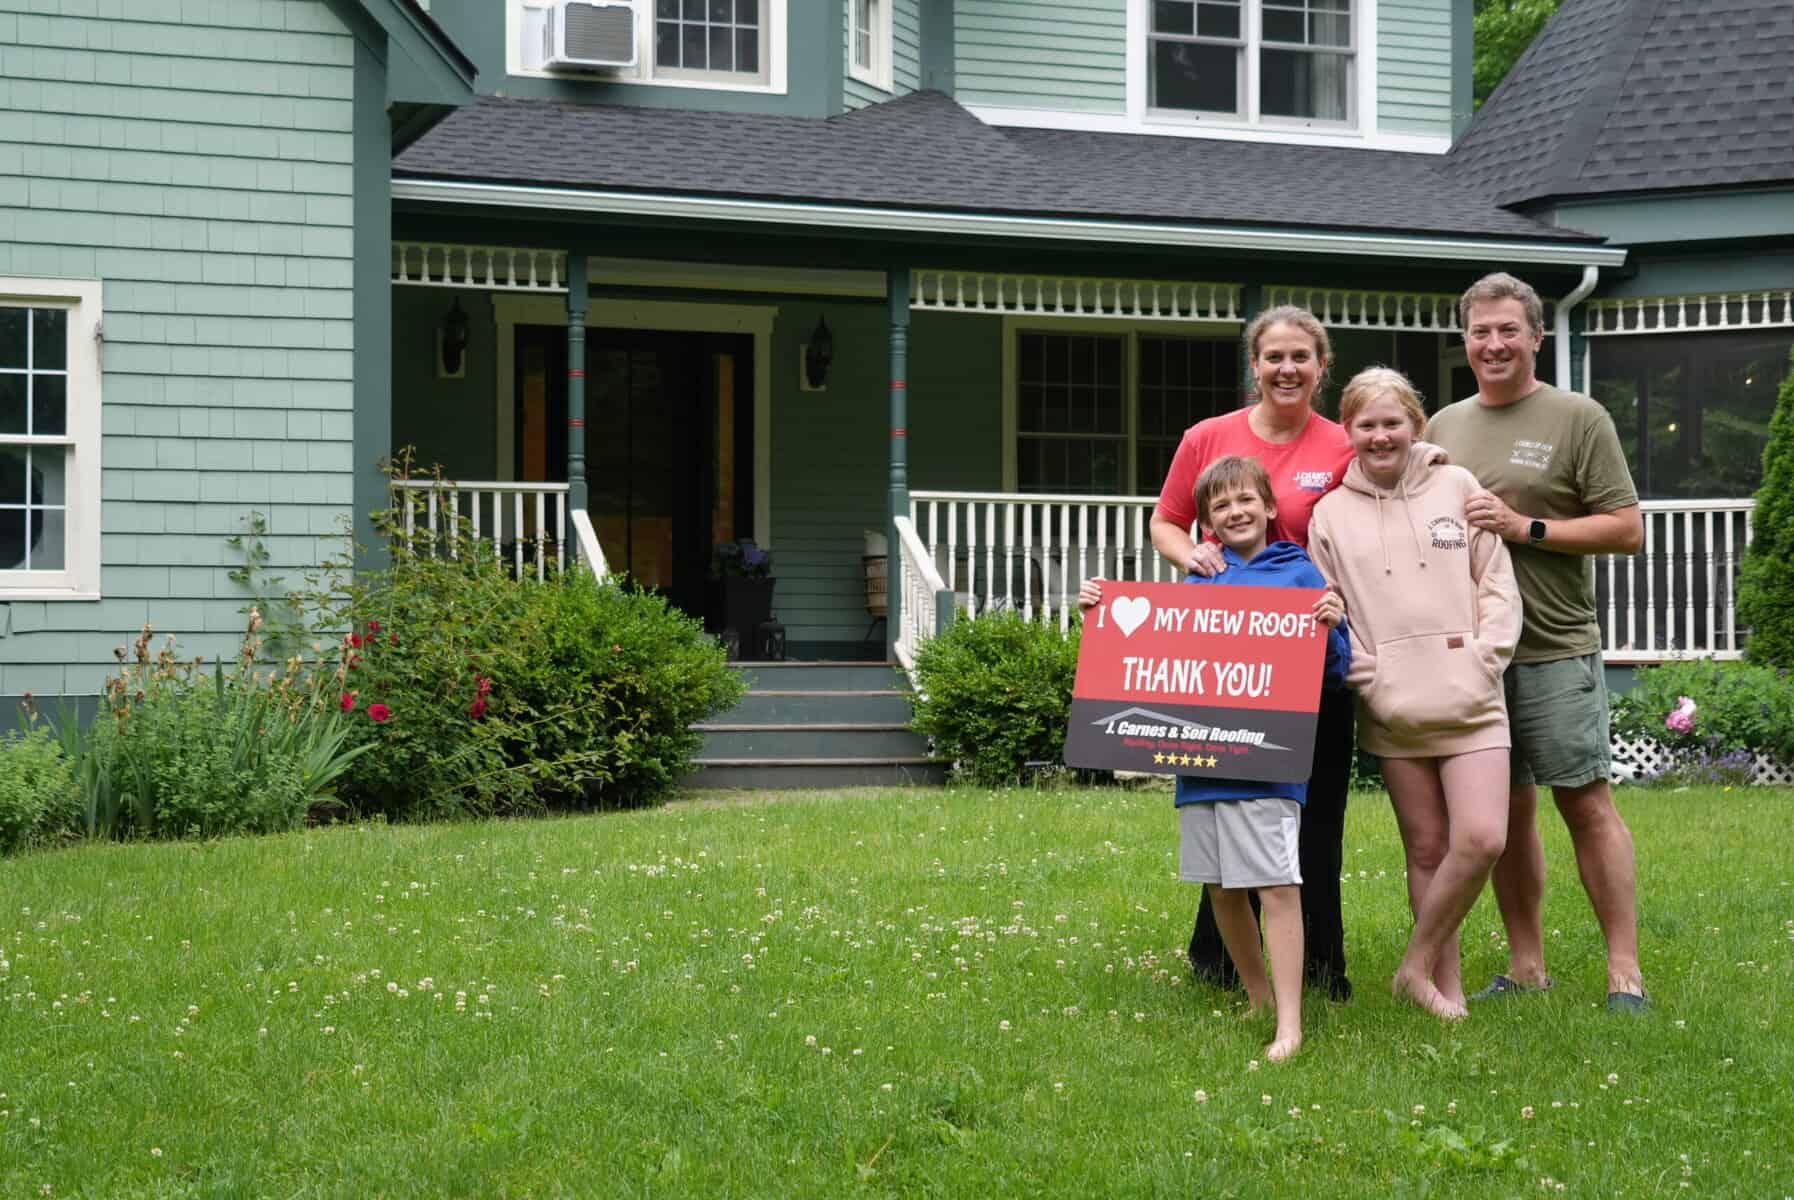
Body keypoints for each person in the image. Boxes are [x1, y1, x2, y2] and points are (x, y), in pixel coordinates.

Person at [1425, 272, 1647, 1012]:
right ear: (1465, 340)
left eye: (1508, 331)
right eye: (1480, 332)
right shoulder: (1442, 427)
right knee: (1507, 811)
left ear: (1536, 338)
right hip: (1476, 656)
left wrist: (1528, 528)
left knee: (1585, 804)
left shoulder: (1578, 417)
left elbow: (1626, 528)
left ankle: (1624, 972)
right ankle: (1526, 966)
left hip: (1554, 646)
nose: (1494, 344)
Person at [1081, 455, 1348, 1060]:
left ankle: (1290, 1024)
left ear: (1270, 507)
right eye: (1220, 505)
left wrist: (1333, 627)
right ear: (1206, 522)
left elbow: (1336, 672)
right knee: (1223, 887)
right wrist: (1098, 615)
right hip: (1201, 764)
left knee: (1276, 884)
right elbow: (1153, 663)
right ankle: (1257, 997)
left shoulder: (1300, 574)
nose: (1235, 511)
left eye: (1245, 499)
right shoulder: (1198, 583)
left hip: (1270, 761)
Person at [1150, 306, 1357, 1000]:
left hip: (1310, 655)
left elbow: (1394, 478)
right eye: (1274, 357)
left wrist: (1431, 459)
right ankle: (1220, 963)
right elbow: (1166, 522)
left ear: (1321, 367)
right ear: (1255, 365)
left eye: (1301, 356)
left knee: (1315, 817)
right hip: (1226, 661)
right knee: (1224, 802)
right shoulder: (1208, 437)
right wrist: (1194, 557)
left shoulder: (1344, 444)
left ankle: (1321, 964)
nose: (1287, 369)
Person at [1308, 368, 1523, 1018]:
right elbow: (1330, 609)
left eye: (1392, 423)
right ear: (1348, 432)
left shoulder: (1458, 487)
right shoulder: (1329, 515)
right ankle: (1443, 989)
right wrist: (1368, 675)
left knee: (1481, 839)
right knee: (1427, 849)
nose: (1381, 436)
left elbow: (1496, 581)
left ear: (1415, 425)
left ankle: (1411, 966)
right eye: (1366, 425)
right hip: (1394, 707)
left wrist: (1486, 657)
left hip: (1473, 697)